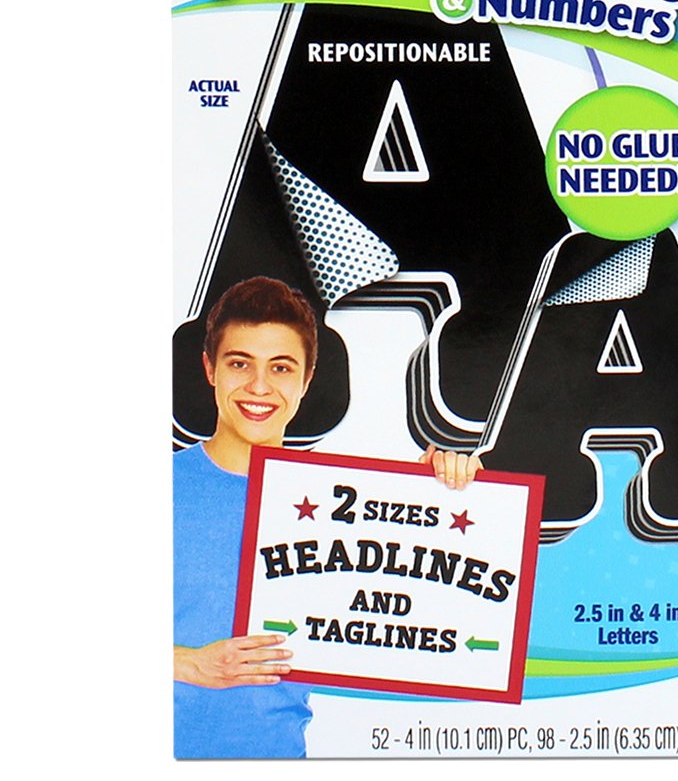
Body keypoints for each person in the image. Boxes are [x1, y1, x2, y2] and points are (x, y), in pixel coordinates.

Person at [173, 276, 479, 758]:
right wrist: (188, 664)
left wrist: (448, 495)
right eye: (239, 363)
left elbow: (424, 618)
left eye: (280, 367)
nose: (259, 387)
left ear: (306, 379)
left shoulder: (332, 507)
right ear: (210, 368)